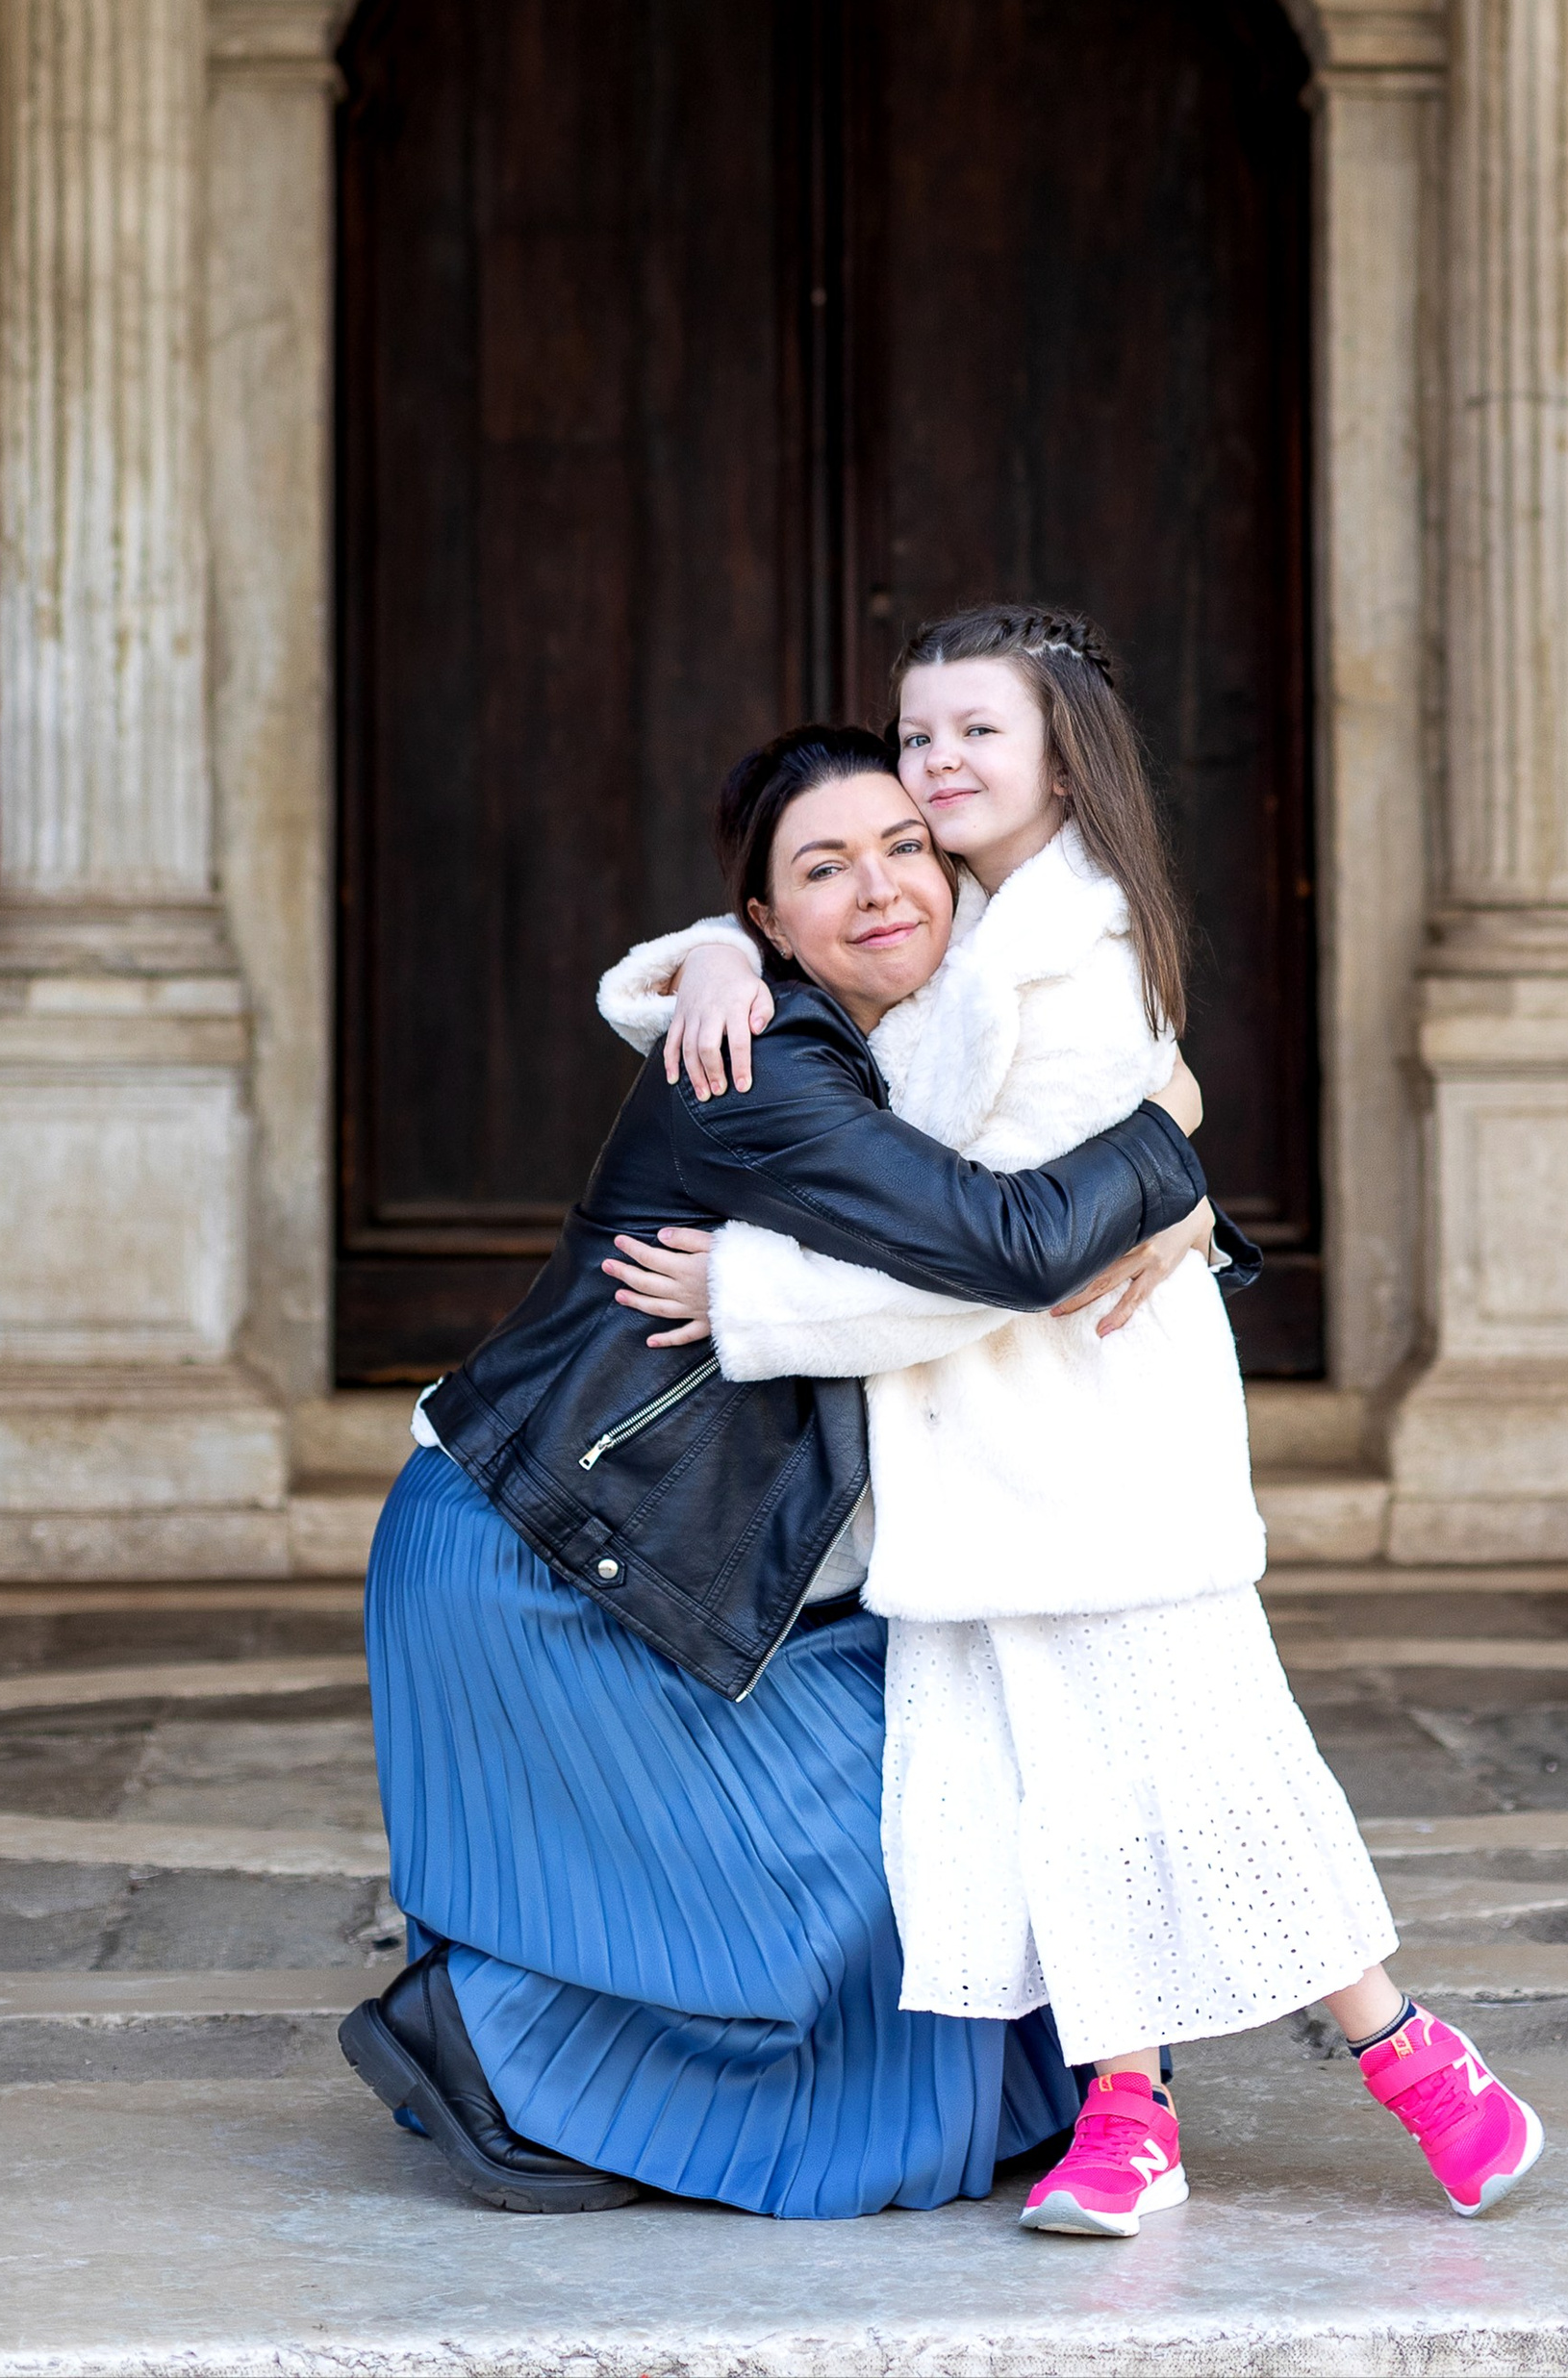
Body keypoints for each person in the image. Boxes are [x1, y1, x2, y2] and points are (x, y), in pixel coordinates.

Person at [601, 605, 1545, 2236]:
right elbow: (797, 948)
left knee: (1204, 1769)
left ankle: (1418, 2063)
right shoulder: (954, 908)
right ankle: (1129, 2115)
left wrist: (755, 1298)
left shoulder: (1080, 963)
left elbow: (1010, 1262)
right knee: (1046, 1796)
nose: (937, 763)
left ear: (1061, 755)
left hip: (1094, 1435)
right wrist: (719, 948)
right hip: (969, 1461)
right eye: (918, 734)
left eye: (977, 732)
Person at [344, 720, 1221, 2219]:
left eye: (907, 849)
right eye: (824, 868)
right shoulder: (760, 1062)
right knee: (877, 1877)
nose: (882, 889)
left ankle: (574, 2037)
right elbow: (1000, 1247)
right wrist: (1174, 1140)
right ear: (771, 921)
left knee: (965, 1818)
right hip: (543, 1552)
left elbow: (1004, 1223)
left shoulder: (932, 1032)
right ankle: (485, 2042)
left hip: (673, 1548)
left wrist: (1173, 1212)